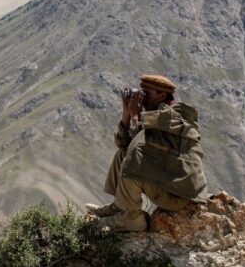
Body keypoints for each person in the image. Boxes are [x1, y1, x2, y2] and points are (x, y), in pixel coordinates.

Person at [86, 74, 208, 232]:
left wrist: (136, 116)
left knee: (134, 160)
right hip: (167, 183)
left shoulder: (177, 116)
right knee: (123, 154)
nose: (142, 100)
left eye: (146, 95)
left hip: (179, 195)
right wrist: (126, 116)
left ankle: (131, 219)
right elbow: (124, 145)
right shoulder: (155, 114)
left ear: (162, 95)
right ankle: (120, 208)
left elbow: (141, 146)